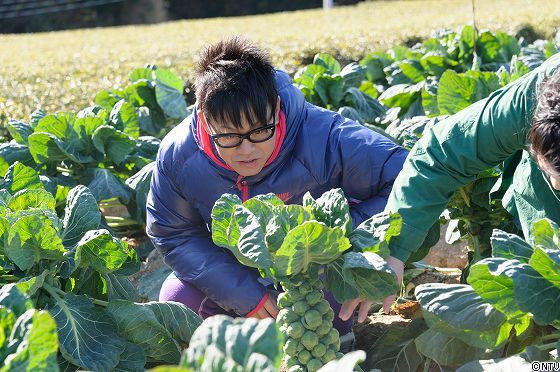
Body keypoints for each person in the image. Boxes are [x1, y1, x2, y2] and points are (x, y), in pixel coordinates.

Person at [146, 36, 408, 345]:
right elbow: (174, 234)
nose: (246, 150)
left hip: (318, 275)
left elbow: (407, 178)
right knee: (176, 295)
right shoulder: (180, 155)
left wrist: (351, 245)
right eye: (229, 136)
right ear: (205, 120)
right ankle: (252, 348)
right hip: (240, 276)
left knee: (330, 312)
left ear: (277, 108)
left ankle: (332, 341)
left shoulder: (323, 135)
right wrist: (243, 294)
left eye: (259, 131)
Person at [339, 53, 560, 323]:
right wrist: (393, 251)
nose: (555, 183)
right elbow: (440, 156)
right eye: (553, 173)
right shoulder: (538, 98)